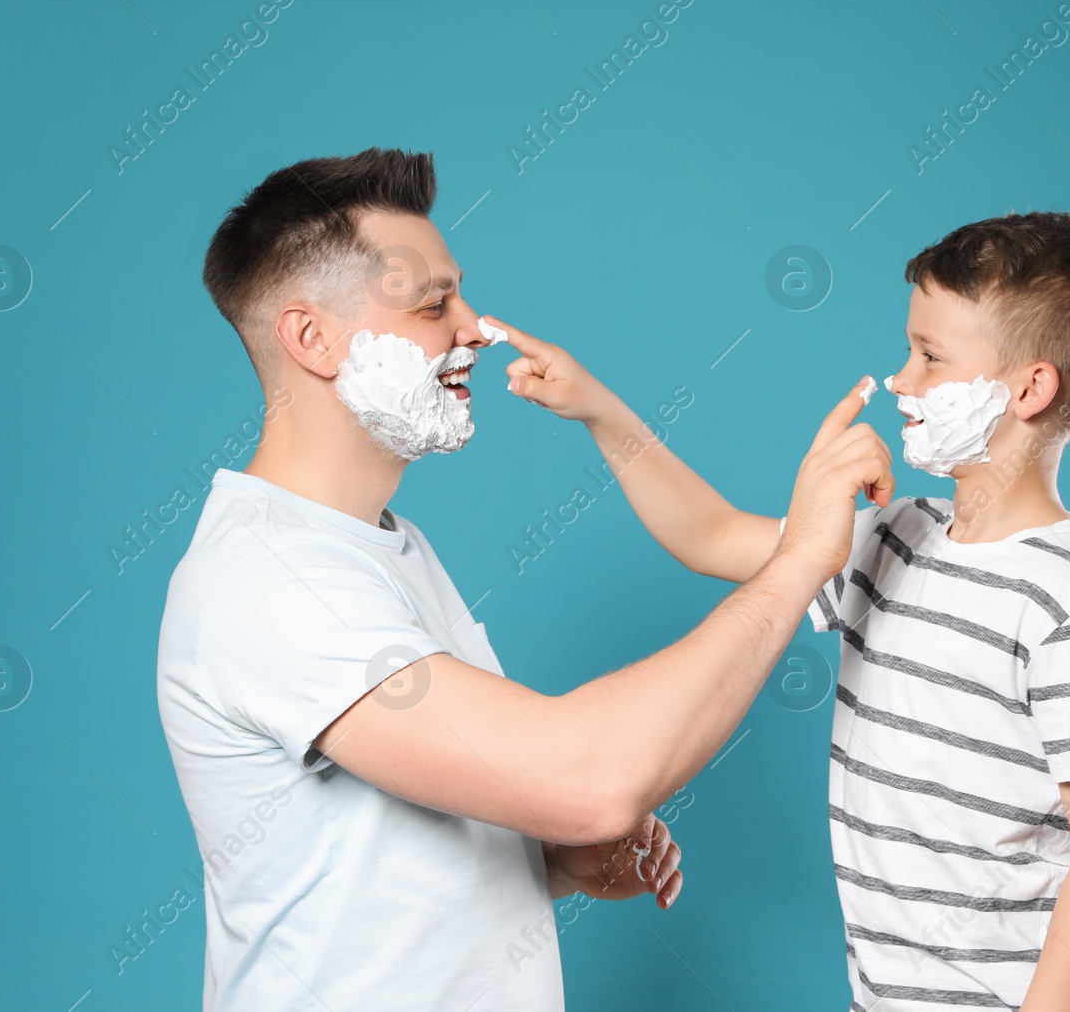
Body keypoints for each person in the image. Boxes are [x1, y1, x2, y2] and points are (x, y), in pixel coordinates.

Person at [154, 147, 889, 1011]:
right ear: (312, 338)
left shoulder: (384, 544)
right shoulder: (275, 581)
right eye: (435, 304)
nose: (475, 326)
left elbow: (387, 854)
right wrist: (802, 555)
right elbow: (587, 780)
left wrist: (549, 862)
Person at [507, 210, 1070, 1010]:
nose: (901, 378)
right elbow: (710, 534)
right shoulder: (892, 536)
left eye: (929, 356)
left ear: (1029, 387)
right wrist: (599, 409)